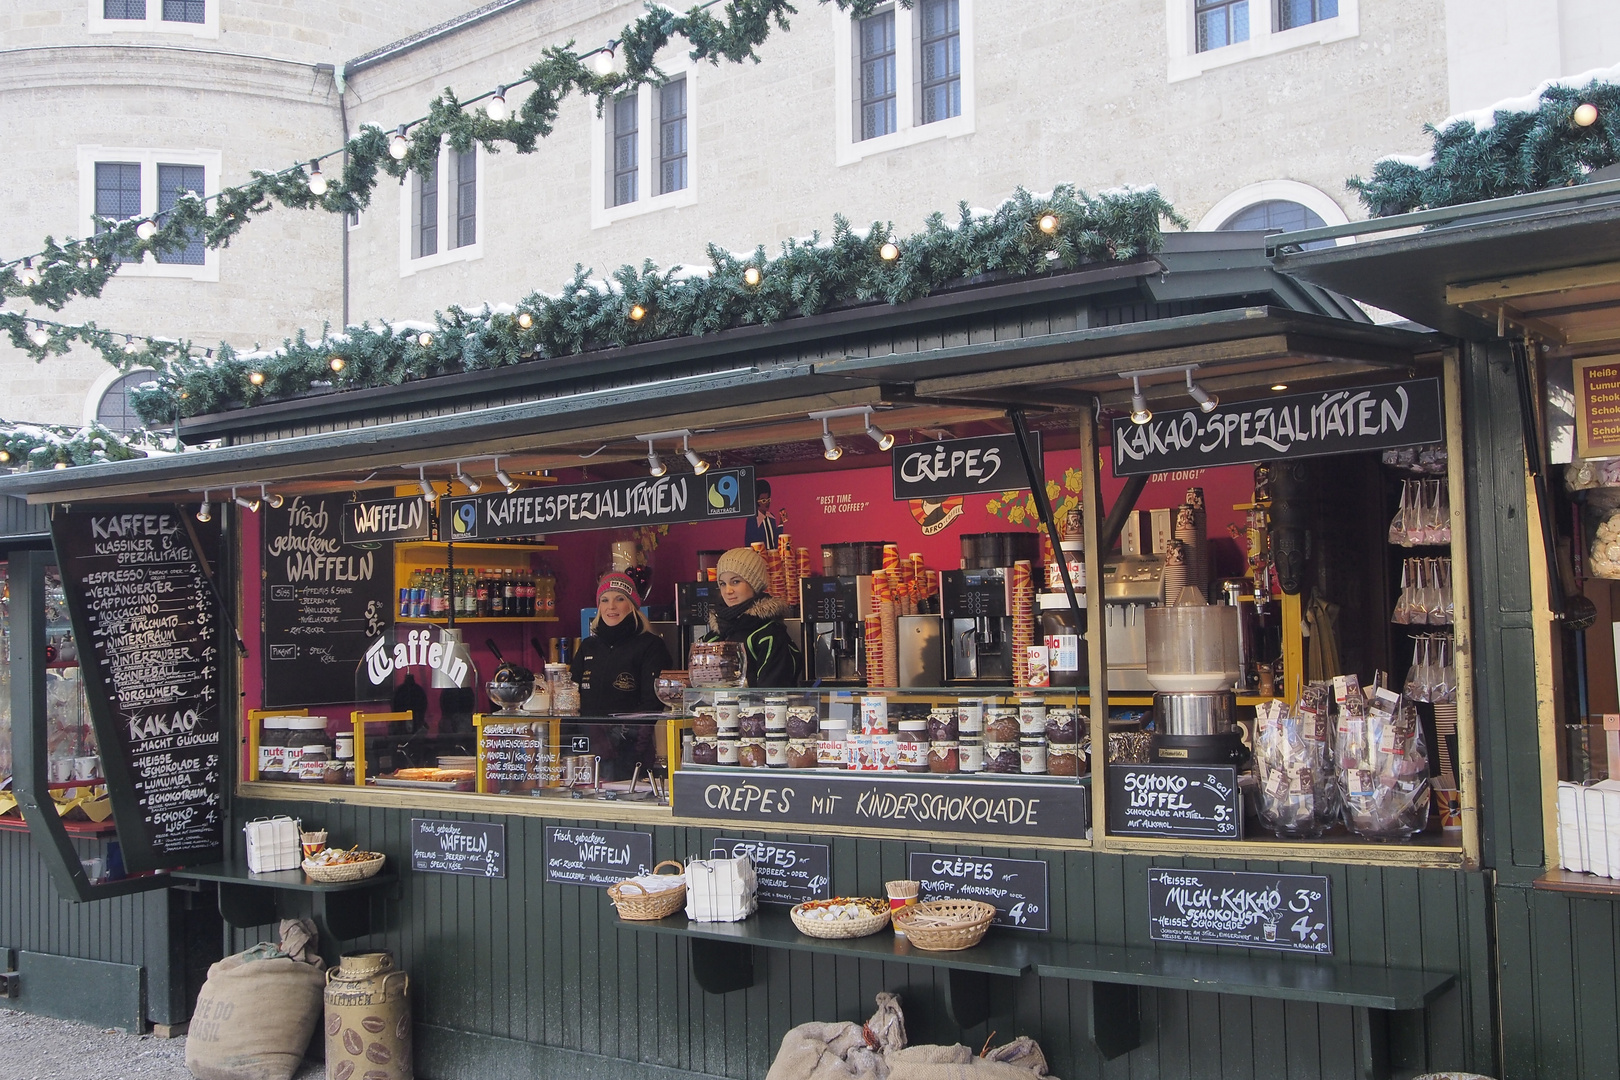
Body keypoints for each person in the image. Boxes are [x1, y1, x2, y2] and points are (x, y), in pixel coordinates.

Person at [571, 571, 672, 715]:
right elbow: (571, 696)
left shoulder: (652, 646)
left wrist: (624, 732)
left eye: (619, 599)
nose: (611, 606)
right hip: (586, 735)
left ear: (632, 605)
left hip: (631, 735)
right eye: (604, 600)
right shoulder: (588, 646)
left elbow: (652, 704)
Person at [707, 547, 800, 687]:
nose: (728, 590)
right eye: (722, 584)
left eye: (736, 581)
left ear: (754, 584)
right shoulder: (713, 636)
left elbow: (772, 691)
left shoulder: (770, 635)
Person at [742, 479, 783, 548]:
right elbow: (749, 543)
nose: (767, 503)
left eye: (768, 499)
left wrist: (781, 523)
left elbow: (775, 540)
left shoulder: (771, 518)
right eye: (763, 500)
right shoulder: (752, 520)